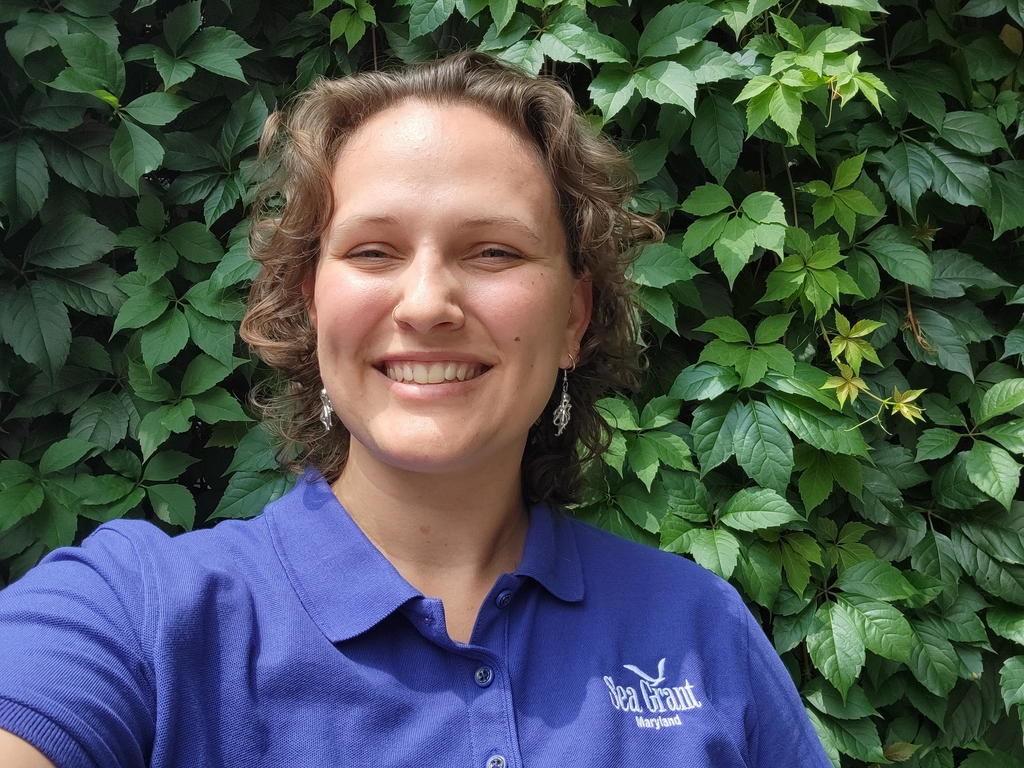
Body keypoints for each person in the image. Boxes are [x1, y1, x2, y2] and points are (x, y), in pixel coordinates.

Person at [0, 51, 832, 767]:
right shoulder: (134, 614)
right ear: (313, 302)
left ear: (573, 319)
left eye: (494, 251)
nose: (428, 303)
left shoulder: (698, 629)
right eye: (373, 251)